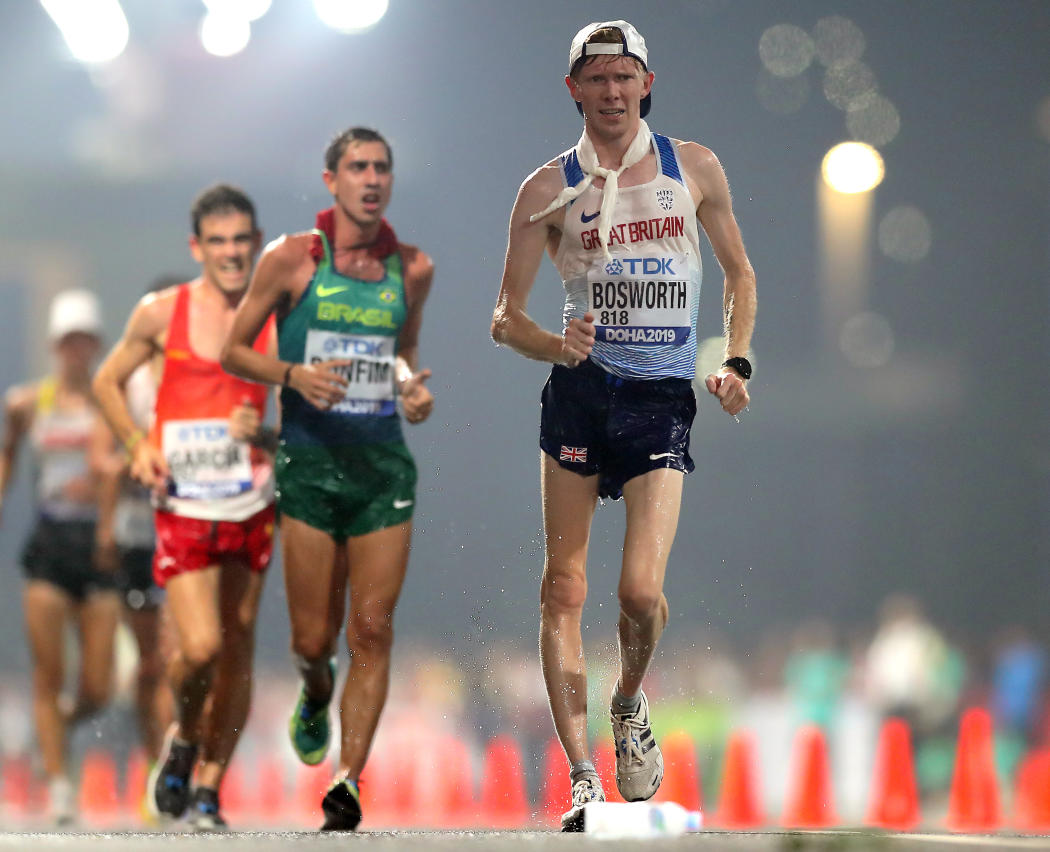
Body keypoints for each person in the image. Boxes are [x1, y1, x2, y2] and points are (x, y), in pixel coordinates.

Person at [489, 21, 757, 831]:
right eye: (596, 77)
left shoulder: (693, 167)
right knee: (561, 587)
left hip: (659, 397)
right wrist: (551, 341)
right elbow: (505, 318)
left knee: (640, 591)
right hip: (579, 394)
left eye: (624, 76)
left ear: (647, 83)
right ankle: (580, 777)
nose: (611, 91)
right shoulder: (545, 188)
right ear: (573, 88)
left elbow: (739, 272)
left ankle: (629, 701)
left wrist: (736, 360)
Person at [221, 126, 434, 831]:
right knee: (314, 643)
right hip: (309, 469)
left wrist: (410, 387)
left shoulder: (414, 268)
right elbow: (232, 350)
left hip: (381, 471)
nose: (371, 179)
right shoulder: (290, 260)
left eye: (382, 168)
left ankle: (347, 782)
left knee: (371, 630)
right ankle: (315, 693)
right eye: (357, 167)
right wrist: (292, 375)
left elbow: (403, 351)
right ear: (331, 180)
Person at [92, 186, 276, 832]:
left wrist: (269, 436)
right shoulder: (161, 312)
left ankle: (209, 787)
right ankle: (185, 739)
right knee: (198, 649)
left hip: (252, 501)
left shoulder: (276, 315)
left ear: (256, 244)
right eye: (217, 242)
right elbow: (106, 381)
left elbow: (313, 410)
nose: (230, 253)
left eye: (240, 241)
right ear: (197, 248)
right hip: (185, 503)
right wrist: (137, 444)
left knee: (238, 648)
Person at [0, 289, 120, 825]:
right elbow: (5, 451)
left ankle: (59, 725)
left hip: (100, 544)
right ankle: (60, 784)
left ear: (96, 345)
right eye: (68, 342)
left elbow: (132, 460)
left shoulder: (112, 402)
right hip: (50, 544)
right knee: (47, 672)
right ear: (55, 346)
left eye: (85, 341)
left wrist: (111, 481)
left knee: (100, 686)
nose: (76, 351)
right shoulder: (27, 403)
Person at [91, 278, 182, 793]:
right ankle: (155, 761)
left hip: (186, 526)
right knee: (151, 664)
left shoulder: (202, 370)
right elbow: (99, 459)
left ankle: (181, 761)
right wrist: (137, 454)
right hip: (136, 533)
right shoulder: (128, 382)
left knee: (182, 654)